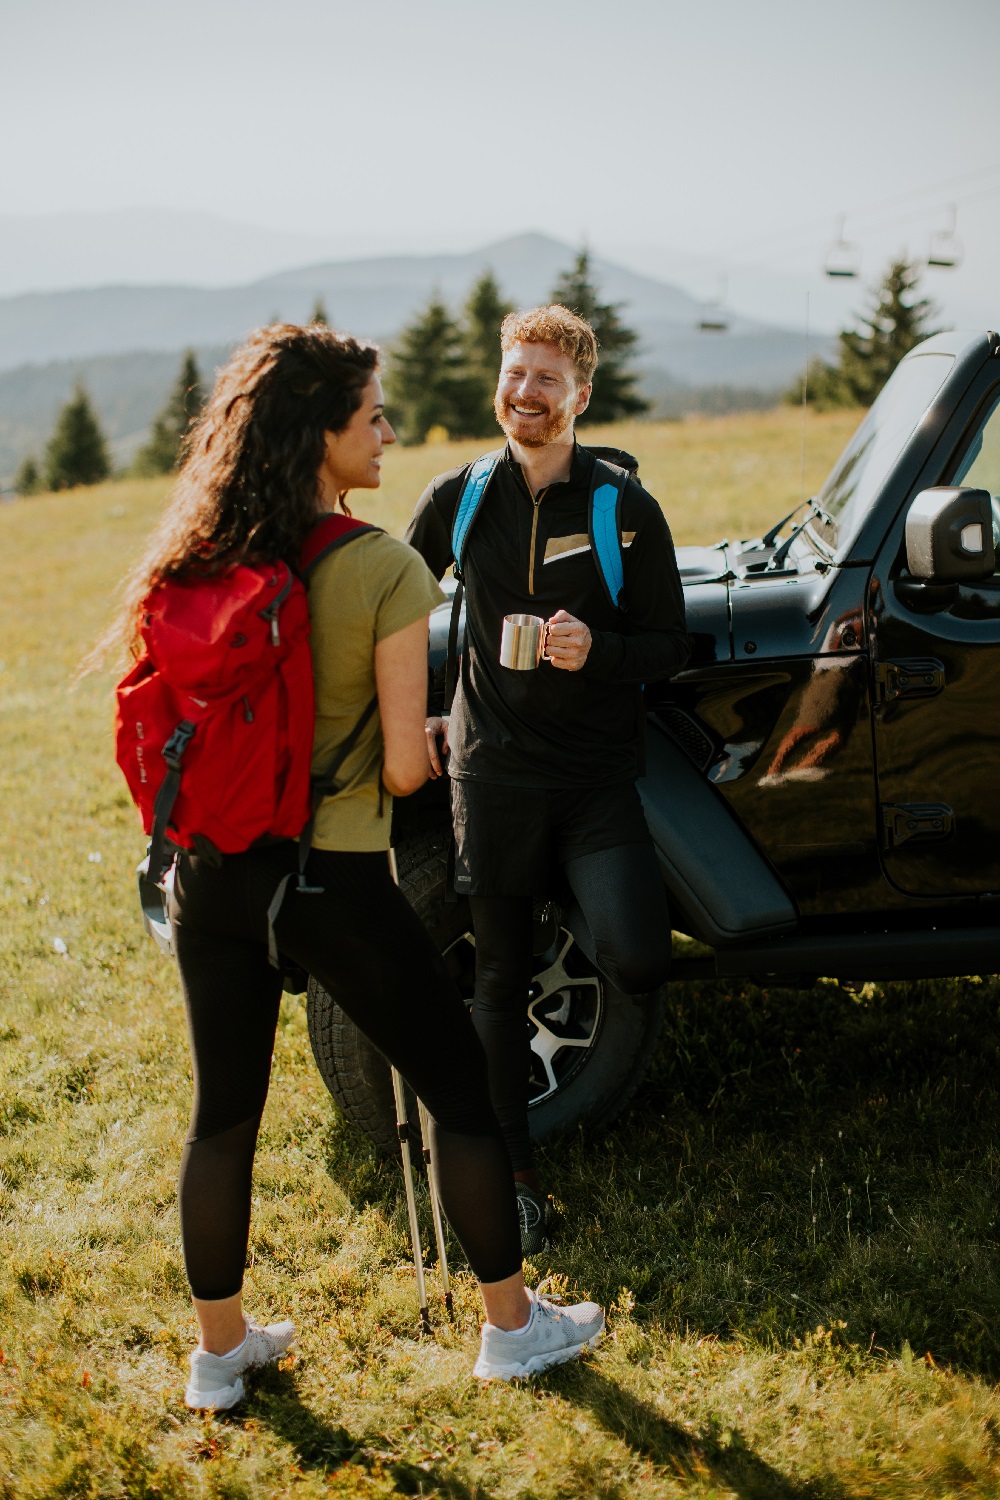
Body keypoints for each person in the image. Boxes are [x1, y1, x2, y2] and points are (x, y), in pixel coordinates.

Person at [110, 324, 604, 1409]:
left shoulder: (196, 554)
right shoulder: (377, 565)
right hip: (331, 877)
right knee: (460, 1091)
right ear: (320, 434)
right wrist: (425, 742)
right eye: (369, 415)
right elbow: (396, 769)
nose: (387, 432)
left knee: (223, 1114)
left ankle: (219, 1352)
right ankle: (513, 1329)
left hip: (208, 875)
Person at [405, 305, 690, 1251]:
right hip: (491, 776)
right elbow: (404, 606)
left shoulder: (622, 509)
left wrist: (596, 649)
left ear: (580, 396)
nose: (525, 393)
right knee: (496, 978)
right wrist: (423, 708)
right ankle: (515, 1177)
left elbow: (666, 642)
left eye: (546, 379)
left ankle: (570, 907)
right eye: (515, 373)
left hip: (596, 780)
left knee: (642, 956)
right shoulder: (462, 496)